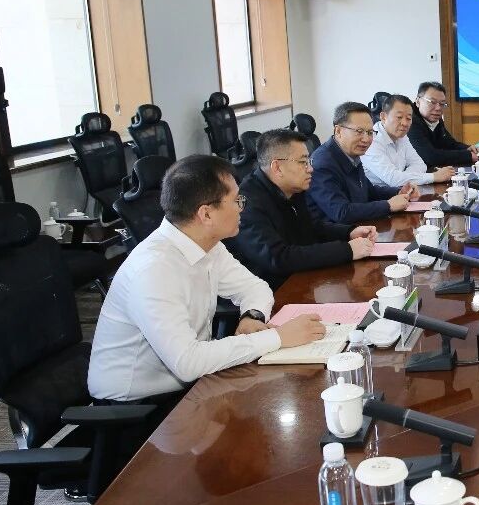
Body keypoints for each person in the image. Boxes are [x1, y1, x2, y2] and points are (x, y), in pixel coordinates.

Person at [88, 154, 327, 406]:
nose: (242, 208)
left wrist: (252, 317)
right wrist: (277, 338)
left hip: (191, 383)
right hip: (139, 406)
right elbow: (187, 363)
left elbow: (254, 287)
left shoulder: (206, 243)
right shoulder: (154, 269)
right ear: (206, 214)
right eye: (236, 201)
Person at [227, 129, 379, 289]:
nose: (310, 169)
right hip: (271, 292)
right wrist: (347, 250)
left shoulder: (293, 188)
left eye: (309, 161)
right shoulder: (247, 204)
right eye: (303, 162)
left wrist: (349, 232)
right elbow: (278, 258)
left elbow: (312, 227)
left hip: (302, 279)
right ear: (277, 167)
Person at [308, 102, 420, 225]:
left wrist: (398, 192)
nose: (366, 139)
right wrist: (388, 205)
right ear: (338, 131)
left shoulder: (350, 153)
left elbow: (368, 191)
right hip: (334, 233)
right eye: (359, 131)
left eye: (370, 132)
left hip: (359, 227)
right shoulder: (322, 164)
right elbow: (341, 212)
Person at [364, 94, 456, 189]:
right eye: (399, 117)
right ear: (383, 117)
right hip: (377, 196)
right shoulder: (371, 140)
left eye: (408, 118)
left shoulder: (401, 136)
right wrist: (434, 177)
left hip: (400, 191)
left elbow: (420, 164)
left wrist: (403, 178)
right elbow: (393, 179)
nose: (405, 123)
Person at [409, 81, 479, 168]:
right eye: (432, 102)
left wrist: (467, 148)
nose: (438, 108)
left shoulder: (435, 118)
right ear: (418, 101)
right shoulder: (410, 121)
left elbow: (449, 144)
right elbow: (431, 156)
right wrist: (468, 156)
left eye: (442, 104)